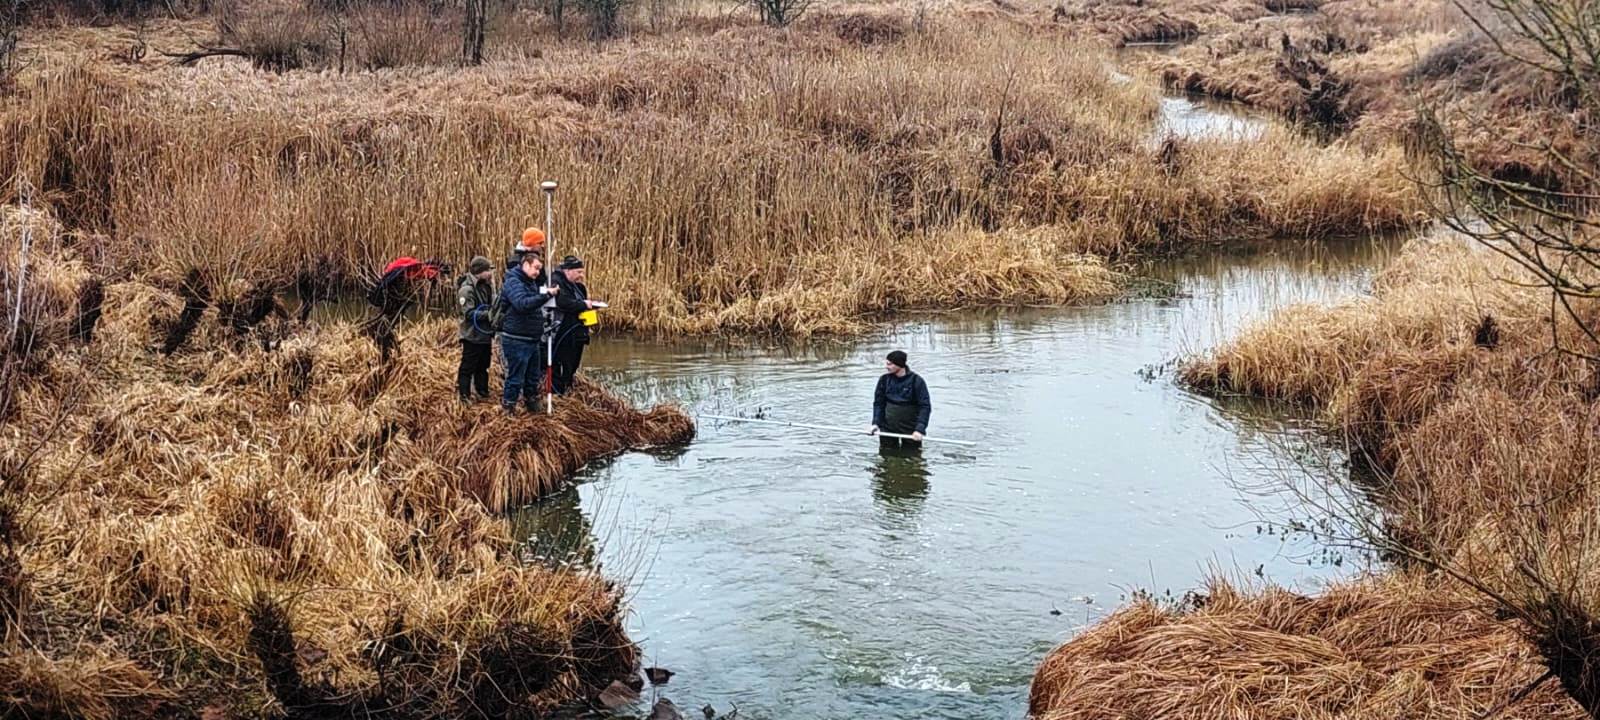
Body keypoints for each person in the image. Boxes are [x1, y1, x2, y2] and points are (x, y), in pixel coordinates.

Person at [499, 252, 558, 413]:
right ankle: (508, 407)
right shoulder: (513, 281)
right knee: (515, 377)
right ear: (525, 265)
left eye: (540, 269)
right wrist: (546, 296)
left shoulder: (530, 282)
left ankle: (532, 404)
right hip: (516, 338)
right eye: (536, 268)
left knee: (533, 376)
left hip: (532, 338)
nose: (538, 272)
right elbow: (522, 304)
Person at [548, 255, 600, 396]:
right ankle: (557, 393)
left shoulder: (578, 287)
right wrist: (583, 304)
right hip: (562, 332)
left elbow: (579, 304)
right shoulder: (556, 281)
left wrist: (590, 309)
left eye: (582, 272)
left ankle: (568, 387)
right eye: (579, 272)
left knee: (573, 364)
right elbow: (563, 302)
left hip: (578, 332)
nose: (581, 276)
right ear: (568, 271)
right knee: (561, 362)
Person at [455, 256, 497, 403]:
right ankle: (464, 395)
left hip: (484, 335)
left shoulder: (486, 285)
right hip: (472, 335)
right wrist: (490, 315)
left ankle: (482, 391)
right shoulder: (466, 290)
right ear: (480, 271)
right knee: (468, 366)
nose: (490, 273)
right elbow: (468, 313)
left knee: (483, 365)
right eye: (488, 270)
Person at [870, 350, 931, 449]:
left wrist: (920, 429)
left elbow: (925, 407)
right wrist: (875, 423)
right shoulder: (884, 380)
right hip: (887, 428)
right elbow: (878, 404)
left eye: (890, 364)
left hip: (910, 430)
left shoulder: (917, 381)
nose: (886, 367)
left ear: (899, 364)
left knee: (912, 459)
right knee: (886, 456)